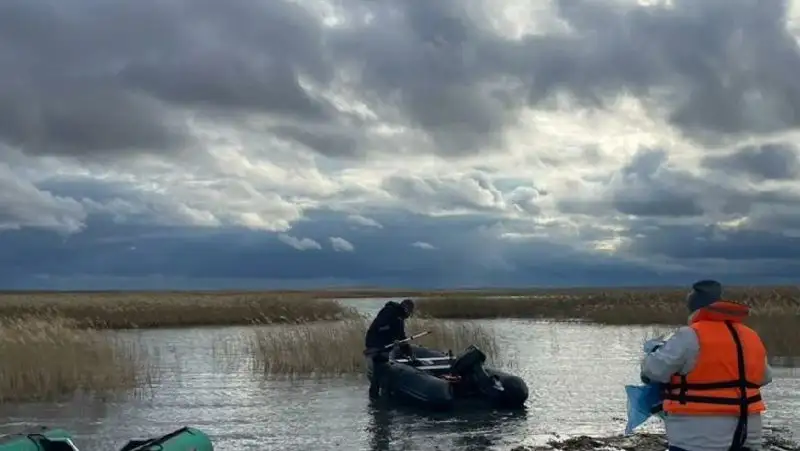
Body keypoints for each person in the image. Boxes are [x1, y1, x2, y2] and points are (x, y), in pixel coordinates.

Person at [640, 280, 773, 451]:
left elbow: (653, 371)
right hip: (749, 429)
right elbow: (765, 376)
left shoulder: (689, 335)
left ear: (694, 307)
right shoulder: (750, 335)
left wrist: (652, 355)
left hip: (698, 434)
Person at [363, 298, 415, 398]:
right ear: (405, 309)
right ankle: (374, 397)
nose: (408, 315)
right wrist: (392, 338)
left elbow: (401, 337)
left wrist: (408, 352)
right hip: (375, 342)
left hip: (384, 345)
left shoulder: (400, 319)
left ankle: (382, 395)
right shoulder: (389, 311)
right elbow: (380, 327)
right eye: (409, 312)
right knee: (379, 368)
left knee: (383, 368)